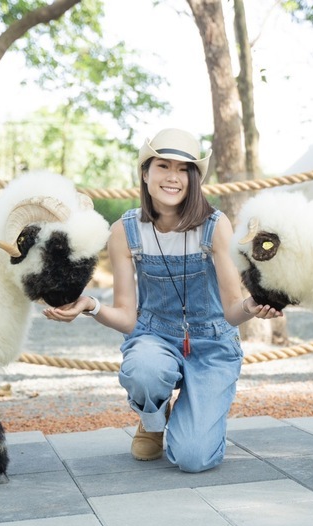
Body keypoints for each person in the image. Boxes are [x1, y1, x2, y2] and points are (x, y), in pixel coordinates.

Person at [43, 128, 282, 473]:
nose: (173, 177)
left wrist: (251, 307)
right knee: (145, 370)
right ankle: (153, 419)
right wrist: (90, 305)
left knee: (193, 458)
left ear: (195, 178)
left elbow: (232, 311)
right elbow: (127, 318)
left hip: (212, 344)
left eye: (183, 169)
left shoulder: (215, 226)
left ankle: (194, 414)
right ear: (145, 173)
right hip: (154, 337)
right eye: (163, 166)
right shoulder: (125, 231)